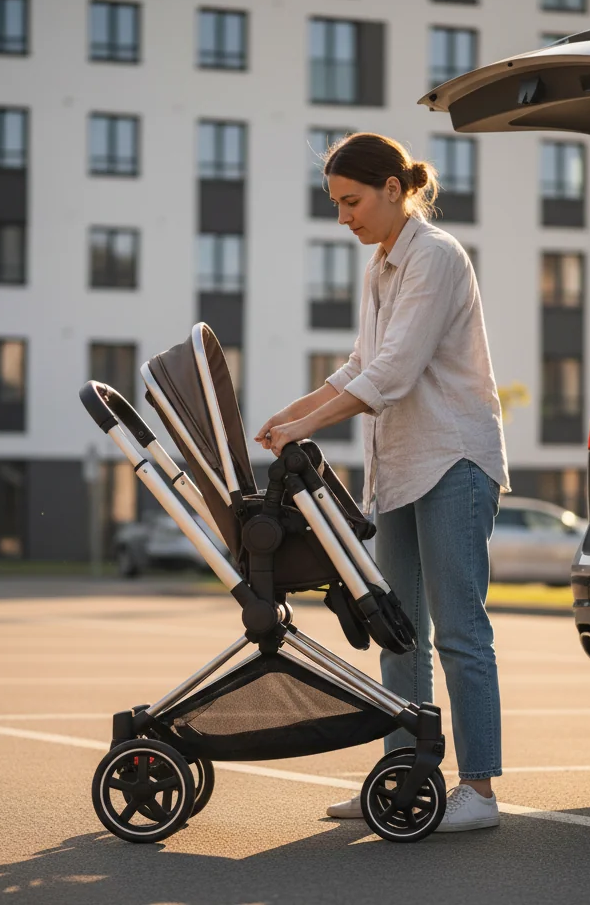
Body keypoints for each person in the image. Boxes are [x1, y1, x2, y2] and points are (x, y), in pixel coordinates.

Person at [255, 132, 509, 833]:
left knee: (459, 631)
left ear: (395, 190)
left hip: (453, 460)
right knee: (399, 631)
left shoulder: (434, 257)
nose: (344, 217)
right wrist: (292, 412)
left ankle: (480, 792)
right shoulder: (381, 266)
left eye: (351, 201)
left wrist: (310, 425)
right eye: (335, 203)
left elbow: (391, 376)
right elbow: (361, 362)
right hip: (400, 466)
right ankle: (402, 780)